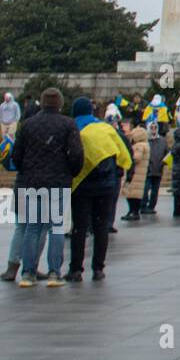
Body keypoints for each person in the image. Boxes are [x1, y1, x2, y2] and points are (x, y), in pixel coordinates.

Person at [8, 87, 83, 288]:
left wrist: (28, 170)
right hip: (58, 183)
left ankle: (27, 274)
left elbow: (16, 156)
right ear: (60, 104)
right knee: (56, 228)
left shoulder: (28, 124)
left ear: (41, 102)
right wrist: (71, 172)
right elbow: (76, 154)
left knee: (32, 228)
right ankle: (54, 273)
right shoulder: (68, 124)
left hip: (31, 183)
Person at [67, 97, 131, 282]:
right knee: (101, 227)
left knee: (79, 227)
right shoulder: (106, 128)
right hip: (106, 185)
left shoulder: (74, 129)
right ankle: (98, 269)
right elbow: (123, 153)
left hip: (82, 186)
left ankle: (76, 269)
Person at [122, 126, 149, 221]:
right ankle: (132, 211)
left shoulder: (139, 146)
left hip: (136, 173)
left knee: (132, 194)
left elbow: (136, 158)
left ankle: (133, 212)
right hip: (139, 173)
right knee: (134, 194)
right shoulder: (145, 144)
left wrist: (127, 155)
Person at [142, 123, 167, 215]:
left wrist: (164, 162)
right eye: (151, 128)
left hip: (158, 168)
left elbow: (167, 153)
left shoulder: (162, 141)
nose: (153, 129)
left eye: (155, 127)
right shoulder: (145, 141)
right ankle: (143, 205)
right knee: (145, 189)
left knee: (155, 190)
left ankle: (152, 206)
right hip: (147, 169)